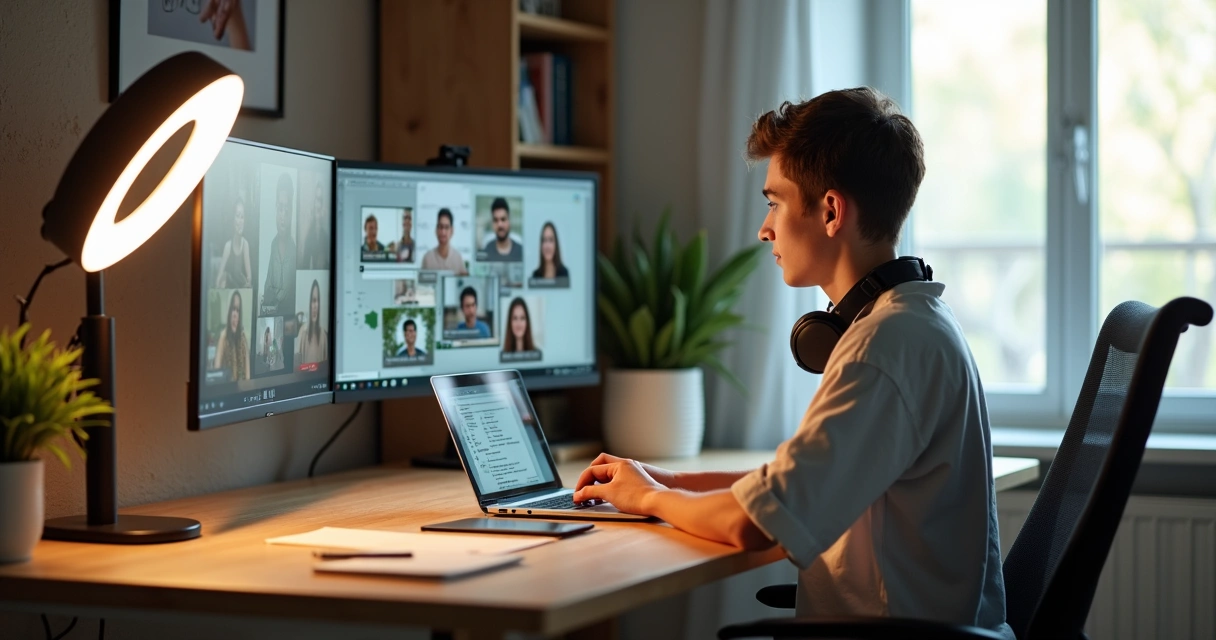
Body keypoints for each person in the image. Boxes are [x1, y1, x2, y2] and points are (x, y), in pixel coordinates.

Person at [571, 88, 1012, 637]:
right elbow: (788, 487)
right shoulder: (914, 320)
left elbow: (756, 524)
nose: (764, 228)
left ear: (830, 211)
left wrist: (649, 498)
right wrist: (672, 478)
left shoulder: (881, 348)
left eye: (775, 201)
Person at [261, 173, 297, 315]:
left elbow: (288, 294)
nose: (283, 215)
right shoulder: (273, 245)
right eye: (280, 208)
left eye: (286, 209)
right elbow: (267, 289)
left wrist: (274, 296)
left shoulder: (295, 250)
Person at [215, 196, 252, 289]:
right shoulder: (228, 246)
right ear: (233, 219)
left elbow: (249, 277)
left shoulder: (245, 245)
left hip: (242, 293)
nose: (240, 221)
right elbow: (218, 279)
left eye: (242, 217)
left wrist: (247, 283)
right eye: (237, 216)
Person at [212, 290, 250, 381]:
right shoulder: (223, 337)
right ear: (228, 312)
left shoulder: (243, 338)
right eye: (233, 309)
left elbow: (248, 376)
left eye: (238, 310)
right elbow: (216, 373)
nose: (235, 315)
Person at [421, 208, 467, 274]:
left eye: (446, 227)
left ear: (452, 231)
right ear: (436, 230)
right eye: (440, 227)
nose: (443, 232)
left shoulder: (458, 258)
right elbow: (422, 284)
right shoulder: (427, 258)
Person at [297, 279, 329, 364]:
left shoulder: (324, 336)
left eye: (318, 301)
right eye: (314, 300)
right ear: (309, 303)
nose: (316, 306)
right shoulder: (302, 333)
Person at [481, 197, 522, 262]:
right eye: (496, 220)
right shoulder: (486, 252)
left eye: (503, 219)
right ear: (492, 223)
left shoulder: (520, 252)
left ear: (509, 220)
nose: (500, 225)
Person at [301, 181, 329, 269]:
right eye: (316, 200)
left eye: (320, 200)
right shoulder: (308, 237)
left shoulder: (325, 236)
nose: (318, 206)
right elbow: (304, 266)